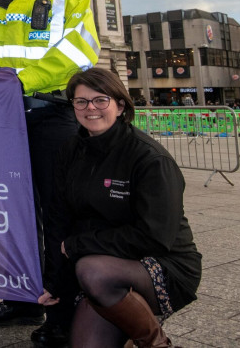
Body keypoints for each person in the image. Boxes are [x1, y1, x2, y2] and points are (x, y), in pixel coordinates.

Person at [0, 0, 100, 347]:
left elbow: (79, 51)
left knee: (55, 215)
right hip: (5, 117)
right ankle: (21, 295)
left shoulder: (71, 0)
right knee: (12, 212)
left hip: (50, 114)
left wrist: (18, 80)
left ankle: (60, 312)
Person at [39, 68, 201, 347]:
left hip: (160, 263)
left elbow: (154, 237)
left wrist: (79, 245)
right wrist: (52, 281)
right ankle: (120, 315)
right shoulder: (70, 150)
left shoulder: (149, 158)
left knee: (94, 271)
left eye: (100, 100)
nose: (91, 109)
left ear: (121, 104)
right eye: (81, 101)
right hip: (96, 265)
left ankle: (155, 343)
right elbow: (58, 220)